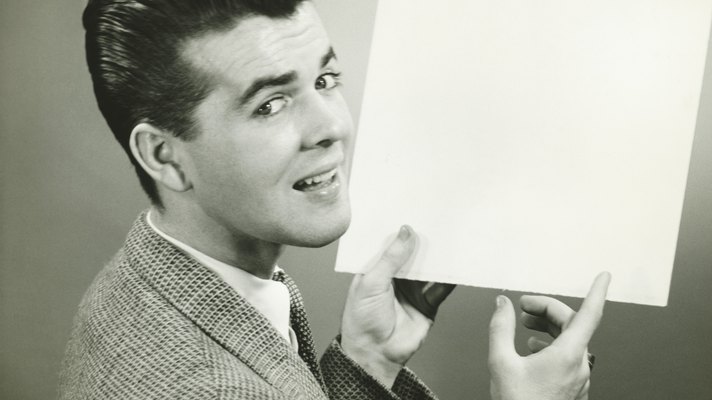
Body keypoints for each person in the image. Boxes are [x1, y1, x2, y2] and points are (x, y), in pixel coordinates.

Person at [60, 1, 610, 399]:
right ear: (164, 155)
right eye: (270, 104)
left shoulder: (139, 281)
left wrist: (366, 364)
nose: (331, 127)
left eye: (325, 78)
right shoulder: (208, 387)